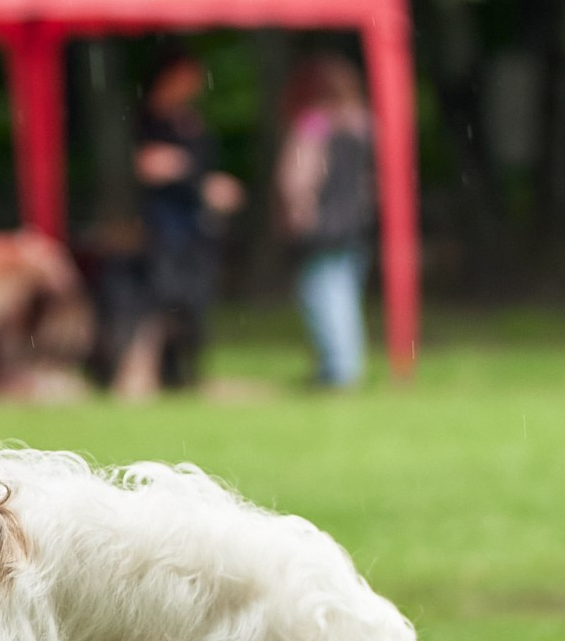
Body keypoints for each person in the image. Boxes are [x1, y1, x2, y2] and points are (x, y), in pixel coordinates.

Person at [112, 51, 244, 396]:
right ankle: (150, 372)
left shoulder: (191, 121)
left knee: (193, 301)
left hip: (194, 225)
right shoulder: (148, 120)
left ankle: (185, 372)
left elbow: (187, 168)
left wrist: (208, 185)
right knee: (162, 298)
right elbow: (148, 167)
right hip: (163, 225)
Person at [275, 51, 377, 389]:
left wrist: (297, 212)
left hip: (322, 224)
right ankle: (345, 363)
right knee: (345, 293)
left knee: (322, 294)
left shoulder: (315, 124)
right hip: (355, 223)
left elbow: (297, 176)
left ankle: (338, 368)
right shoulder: (364, 124)